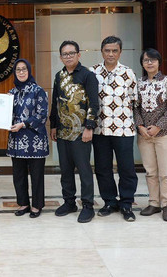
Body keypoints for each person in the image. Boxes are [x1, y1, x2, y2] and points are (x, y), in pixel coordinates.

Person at [49, 40, 99, 223]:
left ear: (79, 55)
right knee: (66, 170)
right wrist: (53, 125)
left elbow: (94, 104)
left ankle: (87, 205)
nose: (68, 56)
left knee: (84, 170)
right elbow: (55, 102)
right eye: (64, 54)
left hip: (81, 133)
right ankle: (69, 202)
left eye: (71, 53)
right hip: (62, 132)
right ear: (61, 57)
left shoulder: (87, 75)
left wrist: (89, 127)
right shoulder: (59, 76)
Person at [91, 36, 139, 222]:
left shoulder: (128, 73)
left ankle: (126, 203)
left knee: (127, 168)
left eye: (114, 51)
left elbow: (135, 102)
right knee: (103, 168)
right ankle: (109, 202)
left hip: (124, 129)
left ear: (120, 52)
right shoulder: (92, 72)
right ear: (101, 51)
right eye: (107, 50)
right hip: (100, 130)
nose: (110, 54)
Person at [134, 48, 167, 222]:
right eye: (146, 60)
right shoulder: (139, 83)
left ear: (159, 62)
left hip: (165, 134)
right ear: (142, 64)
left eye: (152, 60)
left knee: (165, 172)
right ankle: (154, 203)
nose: (149, 63)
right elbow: (135, 107)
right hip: (145, 135)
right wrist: (140, 126)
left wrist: (158, 127)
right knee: (151, 172)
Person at [8, 59, 49, 218]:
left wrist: (23, 124)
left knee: (37, 176)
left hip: (35, 141)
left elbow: (42, 115)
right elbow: (6, 114)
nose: (21, 72)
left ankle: (37, 206)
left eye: (24, 69)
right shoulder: (11, 93)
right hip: (17, 141)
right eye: (18, 70)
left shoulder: (38, 90)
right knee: (18, 175)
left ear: (29, 70)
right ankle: (23, 203)